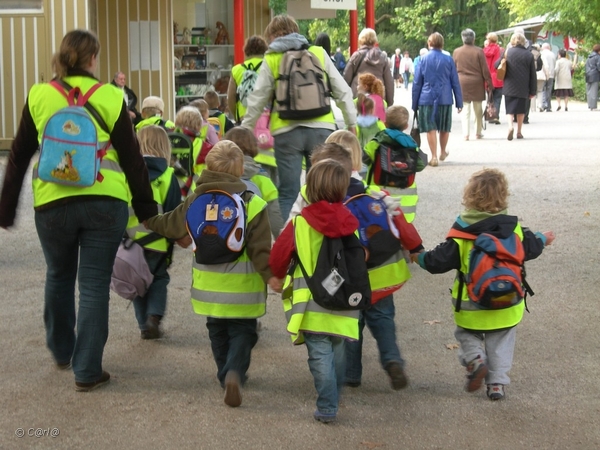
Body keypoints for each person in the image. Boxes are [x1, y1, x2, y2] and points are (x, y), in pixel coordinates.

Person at [0, 29, 157, 391]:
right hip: (105, 202)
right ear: (91, 59)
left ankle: (60, 350)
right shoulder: (110, 95)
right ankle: (87, 370)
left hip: (53, 205)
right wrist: (146, 209)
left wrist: (7, 209)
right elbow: (133, 159)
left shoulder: (39, 95)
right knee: (93, 285)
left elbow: (19, 155)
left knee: (58, 274)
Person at [145, 140, 280, 407]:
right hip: (244, 290)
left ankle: (224, 375)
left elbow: (171, 225)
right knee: (244, 332)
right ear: (241, 170)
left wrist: (148, 219)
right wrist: (271, 276)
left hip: (209, 290)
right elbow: (261, 249)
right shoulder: (252, 203)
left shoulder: (195, 200)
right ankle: (234, 372)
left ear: (208, 166)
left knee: (217, 331)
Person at [416, 168, 555, 400]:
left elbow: (436, 262)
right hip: (508, 304)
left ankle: (475, 359)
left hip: (471, 305)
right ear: (504, 196)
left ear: (469, 196)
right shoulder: (515, 230)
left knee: (467, 334)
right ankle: (497, 385)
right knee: (501, 341)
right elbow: (531, 248)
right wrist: (543, 238)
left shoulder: (462, 233)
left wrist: (418, 256)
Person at [240, 14, 356, 222]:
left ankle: (290, 244)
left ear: (274, 36)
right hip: (322, 128)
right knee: (323, 189)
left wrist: (245, 129)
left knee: (288, 193)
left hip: (287, 133)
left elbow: (257, 98)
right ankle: (323, 236)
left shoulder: (273, 58)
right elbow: (343, 91)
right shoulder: (318, 52)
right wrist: (351, 122)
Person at [269, 158, 360, 423]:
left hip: (311, 302)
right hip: (344, 300)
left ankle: (328, 405)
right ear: (342, 190)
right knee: (338, 347)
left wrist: (275, 275)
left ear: (309, 188)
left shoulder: (300, 224)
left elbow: (279, 256)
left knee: (320, 353)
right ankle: (335, 391)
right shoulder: (350, 221)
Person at [129, 126, 181, 339]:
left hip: (130, 243)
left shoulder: (127, 173)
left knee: (137, 285)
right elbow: (174, 211)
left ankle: (144, 325)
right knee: (158, 279)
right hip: (157, 244)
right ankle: (154, 317)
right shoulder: (168, 176)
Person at [363, 105, 424, 224]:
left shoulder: (376, 143)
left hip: (379, 200)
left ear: (384, 123)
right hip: (406, 204)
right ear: (406, 126)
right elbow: (420, 165)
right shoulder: (412, 146)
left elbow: (363, 160)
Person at [412, 32, 463, 167]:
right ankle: (442, 151)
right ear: (442, 44)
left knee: (431, 128)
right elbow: (455, 82)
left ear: (429, 43)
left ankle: (433, 156)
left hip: (426, 98)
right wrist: (459, 102)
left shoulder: (422, 60)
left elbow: (417, 83)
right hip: (445, 98)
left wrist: (414, 103)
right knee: (444, 127)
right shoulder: (449, 60)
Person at [223, 127, 284, 238]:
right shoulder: (262, 178)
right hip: (252, 239)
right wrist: (282, 242)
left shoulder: (216, 173)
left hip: (220, 234)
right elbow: (274, 213)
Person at [452, 29, 493, 141]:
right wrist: (489, 83)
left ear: (462, 39)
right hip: (477, 83)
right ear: (473, 39)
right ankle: (478, 132)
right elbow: (485, 69)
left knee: (465, 109)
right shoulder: (479, 51)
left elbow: (453, 70)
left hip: (462, 83)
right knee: (478, 109)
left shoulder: (456, 52)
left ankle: (466, 134)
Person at [344, 28, 394, 106]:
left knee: (359, 116)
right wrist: (389, 102)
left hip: (358, 95)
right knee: (377, 117)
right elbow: (389, 81)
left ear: (360, 40)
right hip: (378, 94)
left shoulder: (356, 56)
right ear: (375, 40)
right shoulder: (382, 57)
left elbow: (346, 78)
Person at [501, 33, 536, 141]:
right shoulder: (528, 55)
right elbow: (532, 75)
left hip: (509, 85)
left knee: (510, 109)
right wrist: (532, 91)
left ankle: (510, 126)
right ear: (524, 42)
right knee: (521, 110)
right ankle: (519, 132)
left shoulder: (508, 52)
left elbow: (496, 65)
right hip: (523, 86)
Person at [227, 35, 269, 124]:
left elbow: (231, 98)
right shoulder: (269, 66)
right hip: (265, 117)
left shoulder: (236, 70)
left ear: (246, 51)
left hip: (244, 117)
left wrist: (236, 115)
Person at [483, 32, 503, 124]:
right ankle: (496, 116)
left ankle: (491, 115)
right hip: (498, 77)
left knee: (490, 97)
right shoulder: (500, 50)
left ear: (488, 40)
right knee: (497, 98)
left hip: (488, 77)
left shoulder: (484, 51)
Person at [540, 43, 557, 112]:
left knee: (542, 89)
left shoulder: (541, 54)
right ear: (549, 47)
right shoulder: (552, 54)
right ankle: (548, 106)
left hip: (543, 75)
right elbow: (555, 64)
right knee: (548, 90)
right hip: (551, 75)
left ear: (543, 48)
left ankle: (543, 105)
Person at [584, 44, 600, 111]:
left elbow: (586, 66)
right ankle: (593, 106)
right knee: (594, 91)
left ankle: (590, 105)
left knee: (589, 91)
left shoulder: (589, 57)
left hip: (588, 75)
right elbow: (599, 66)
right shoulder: (598, 57)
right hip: (595, 75)